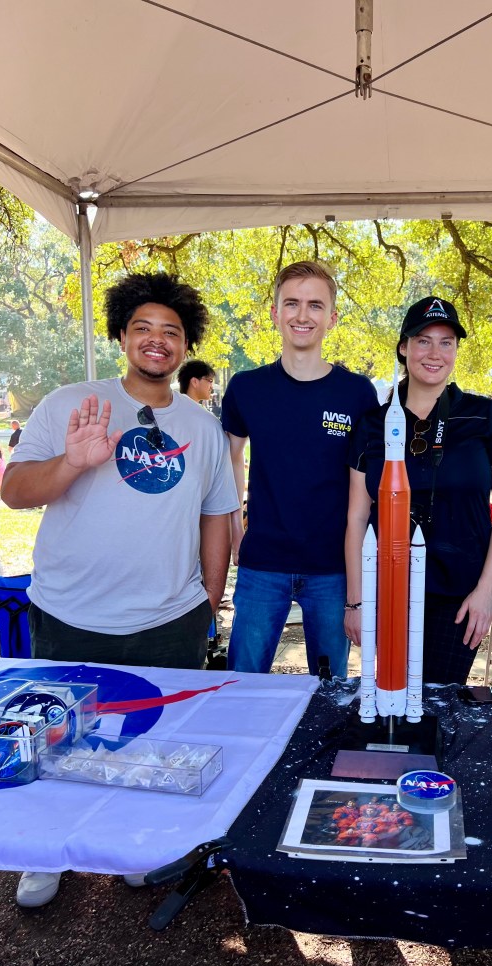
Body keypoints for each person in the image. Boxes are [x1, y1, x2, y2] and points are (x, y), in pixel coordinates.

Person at [1, 271, 238, 909]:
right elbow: (14, 492)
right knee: (52, 737)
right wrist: (74, 461)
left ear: (185, 347)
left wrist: (207, 605)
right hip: (70, 611)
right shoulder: (70, 404)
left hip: (167, 619)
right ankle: (43, 855)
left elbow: (218, 518)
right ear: (122, 336)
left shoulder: (203, 427)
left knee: (155, 741)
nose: (156, 342)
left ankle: (136, 847)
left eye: (171, 332)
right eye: (143, 329)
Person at [346, 296, 492, 686]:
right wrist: (357, 601)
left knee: (438, 702)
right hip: (388, 588)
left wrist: (486, 591)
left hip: (461, 593)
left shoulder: (485, 416)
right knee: (392, 693)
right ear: (404, 347)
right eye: (423, 341)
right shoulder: (374, 423)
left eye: (446, 342)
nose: (434, 353)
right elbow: (358, 515)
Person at [221, 260, 378, 678]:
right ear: (274, 313)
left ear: (332, 317)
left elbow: (365, 486)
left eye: (314, 305)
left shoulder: (356, 393)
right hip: (262, 565)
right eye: (291, 303)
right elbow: (230, 458)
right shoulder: (246, 388)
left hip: (331, 568)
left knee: (328, 694)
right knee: (242, 681)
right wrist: (236, 528)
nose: (302, 315)